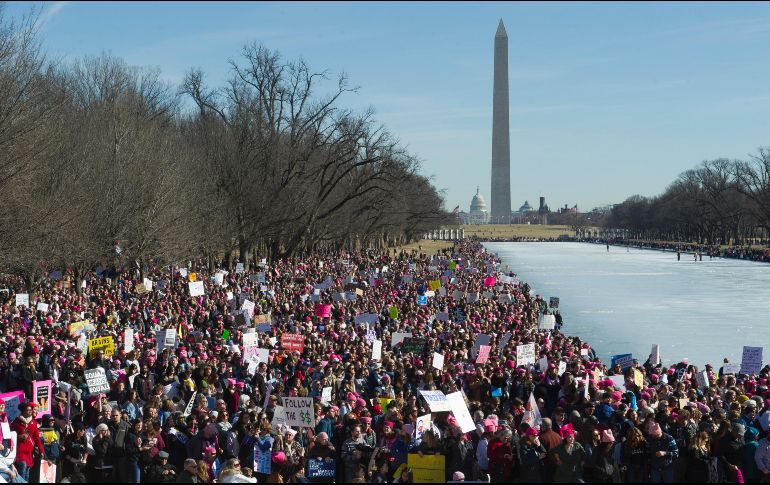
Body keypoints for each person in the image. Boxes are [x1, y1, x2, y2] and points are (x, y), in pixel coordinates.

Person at [10, 402, 43, 482]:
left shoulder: (33, 422)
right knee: (22, 470)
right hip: (20, 452)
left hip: (29, 453)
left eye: (31, 410)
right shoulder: (16, 422)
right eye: (28, 410)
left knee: (27, 474)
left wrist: (41, 450)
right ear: (23, 411)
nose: (30, 412)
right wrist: (18, 437)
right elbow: (10, 435)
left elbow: (37, 438)